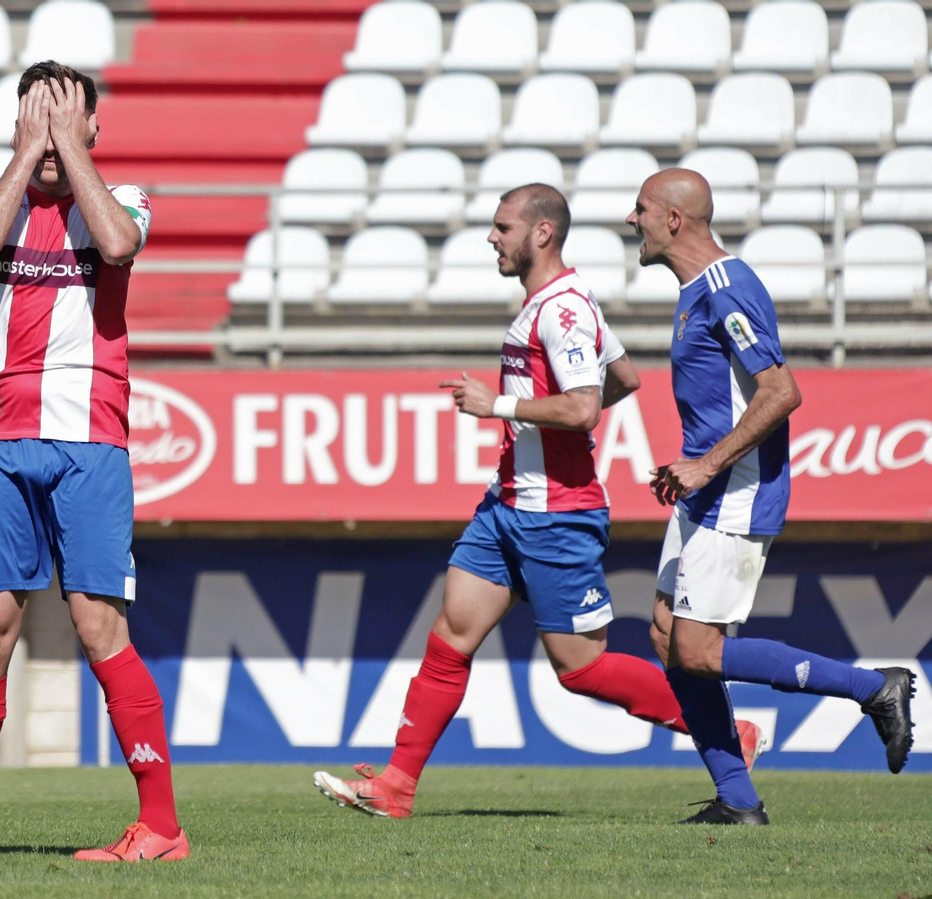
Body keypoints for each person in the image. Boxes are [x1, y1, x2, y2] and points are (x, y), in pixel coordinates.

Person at [314, 184, 763, 819]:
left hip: (556, 513)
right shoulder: (559, 303)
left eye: (503, 227)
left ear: (541, 233)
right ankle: (397, 784)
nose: (492, 238)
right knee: (450, 636)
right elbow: (625, 379)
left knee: (580, 669)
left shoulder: (563, 310)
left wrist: (497, 407)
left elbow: (583, 407)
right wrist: (535, 430)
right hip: (507, 504)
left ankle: (728, 735)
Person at [0, 61, 186, 864]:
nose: (46, 136)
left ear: (93, 130)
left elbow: (115, 243)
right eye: (32, 116)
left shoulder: (123, 198)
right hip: (0, 444)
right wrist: (28, 149)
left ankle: (162, 827)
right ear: (13, 125)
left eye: (65, 117)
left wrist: (69, 148)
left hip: (90, 443)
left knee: (98, 624)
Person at [627, 169, 915, 825]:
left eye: (640, 208)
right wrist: (690, 467)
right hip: (705, 489)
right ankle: (737, 799)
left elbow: (781, 391)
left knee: (698, 650)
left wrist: (705, 464)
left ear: (674, 219)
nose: (630, 218)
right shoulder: (697, 290)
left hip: (735, 489)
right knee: (668, 634)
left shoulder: (728, 287)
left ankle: (875, 687)